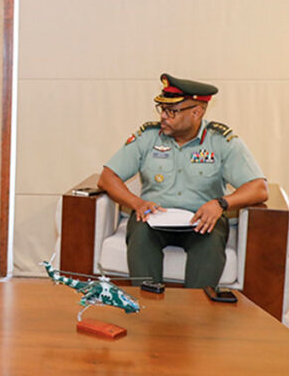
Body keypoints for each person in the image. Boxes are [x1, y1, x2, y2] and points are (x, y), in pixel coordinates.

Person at [97, 73, 268, 288]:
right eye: (162, 109)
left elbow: (259, 188)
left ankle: (197, 306)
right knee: (140, 236)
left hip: (202, 220)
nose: (163, 117)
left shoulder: (221, 141)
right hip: (153, 218)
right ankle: (146, 304)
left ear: (197, 112)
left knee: (209, 244)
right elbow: (107, 178)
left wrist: (220, 204)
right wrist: (136, 203)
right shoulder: (148, 136)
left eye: (172, 111)